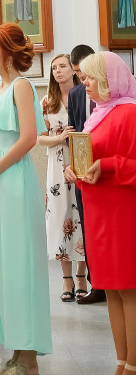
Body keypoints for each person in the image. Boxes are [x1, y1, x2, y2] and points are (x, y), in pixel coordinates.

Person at [0, 24, 51, 375]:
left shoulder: (21, 86)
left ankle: (28, 360)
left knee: (19, 267)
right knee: (2, 266)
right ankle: (16, 353)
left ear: (7, 52)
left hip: (14, 182)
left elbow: (27, 139)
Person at [64, 51, 136, 375]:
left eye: (90, 77)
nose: (84, 83)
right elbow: (89, 158)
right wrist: (76, 170)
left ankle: (133, 371)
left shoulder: (130, 113)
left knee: (129, 290)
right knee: (111, 289)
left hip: (124, 212)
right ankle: (121, 365)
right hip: (100, 210)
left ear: (110, 80)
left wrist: (107, 165)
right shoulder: (99, 114)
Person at [38, 54, 85, 301]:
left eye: (62, 66)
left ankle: (82, 275)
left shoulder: (84, 95)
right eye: (54, 68)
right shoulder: (47, 102)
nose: (57, 71)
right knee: (59, 215)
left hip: (79, 159)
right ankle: (66, 279)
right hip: (57, 164)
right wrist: (58, 137)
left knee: (79, 214)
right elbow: (38, 137)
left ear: (72, 69)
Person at [68, 44, 105, 304]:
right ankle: (97, 284)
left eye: (84, 73)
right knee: (89, 227)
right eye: (77, 75)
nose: (82, 80)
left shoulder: (109, 92)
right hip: (83, 170)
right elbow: (75, 133)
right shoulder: (75, 93)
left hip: (106, 166)